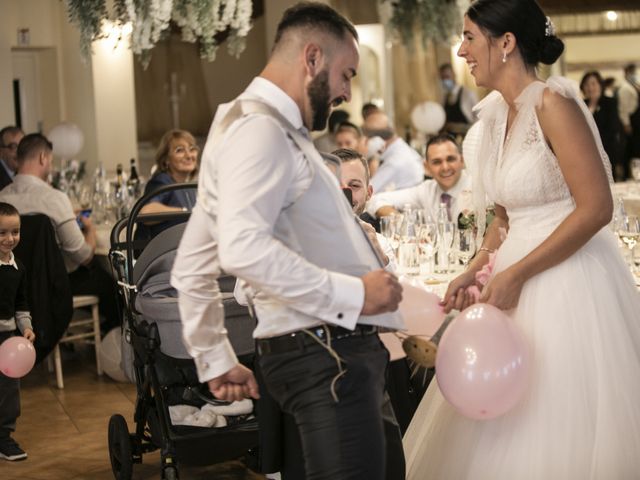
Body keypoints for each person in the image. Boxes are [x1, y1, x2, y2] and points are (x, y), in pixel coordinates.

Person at [403, 1, 640, 478]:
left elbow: (597, 207)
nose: (461, 49)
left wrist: (517, 272)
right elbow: (503, 214)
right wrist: (476, 265)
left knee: (556, 414)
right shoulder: (492, 114)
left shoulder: (555, 105)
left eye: (470, 37)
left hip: (567, 278)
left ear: (505, 42)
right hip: (512, 277)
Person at [170, 3, 404, 480]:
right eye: (346, 74)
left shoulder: (246, 125)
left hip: (321, 352)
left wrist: (214, 355)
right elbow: (241, 249)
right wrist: (356, 294)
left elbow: (191, 266)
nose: (346, 91)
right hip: (327, 353)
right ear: (312, 58)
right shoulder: (261, 130)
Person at [0, 134, 119, 332]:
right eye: (51, 161)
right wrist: (89, 229)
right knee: (110, 283)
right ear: (42, 158)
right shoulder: (54, 199)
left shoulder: (2, 197)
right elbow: (83, 256)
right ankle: (108, 345)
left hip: (11, 286)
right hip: (51, 287)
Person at [367, 133, 471, 222]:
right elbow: (376, 200)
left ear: (462, 160)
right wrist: (401, 221)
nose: (445, 167)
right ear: (427, 167)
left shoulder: (478, 189)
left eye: (450, 159)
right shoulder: (426, 190)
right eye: (437, 162)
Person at [0, 202, 35, 462]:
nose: (10, 238)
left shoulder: (17, 268)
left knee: (9, 390)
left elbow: (21, 304)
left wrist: (26, 328)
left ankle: (3, 437)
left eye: (15, 231)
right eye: (1, 232)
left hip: (9, 338)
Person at [135, 129, 198, 240]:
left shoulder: (189, 187)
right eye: (180, 150)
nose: (189, 155)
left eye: (192, 149)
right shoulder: (162, 181)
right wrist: (184, 212)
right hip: (163, 253)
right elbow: (146, 214)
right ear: (166, 159)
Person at [363, 110, 424, 193]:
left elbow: (365, 194)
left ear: (376, 141)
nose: (365, 143)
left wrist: (360, 156)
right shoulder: (403, 150)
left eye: (367, 139)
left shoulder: (393, 163)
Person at [580, 70, 623, 179]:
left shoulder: (610, 102)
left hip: (606, 150)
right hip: (586, 152)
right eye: (587, 84)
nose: (590, 87)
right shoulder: (581, 104)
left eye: (593, 83)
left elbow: (613, 127)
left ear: (600, 85)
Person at [439, 63, 478, 135]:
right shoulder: (444, 97)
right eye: (442, 78)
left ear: (454, 75)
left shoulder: (468, 94)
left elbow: (478, 118)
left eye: (447, 77)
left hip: (467, 136)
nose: (445, 81)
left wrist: (460, 127)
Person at [618, 63, 640, 178]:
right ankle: (630, 176)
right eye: (631, 72)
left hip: (637, 122)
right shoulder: (625, 88)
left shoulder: (634, 85)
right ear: (626, 73)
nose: (633, 74)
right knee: (631, 152)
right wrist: (627, 124)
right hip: (631, 123)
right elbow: (623, 109)